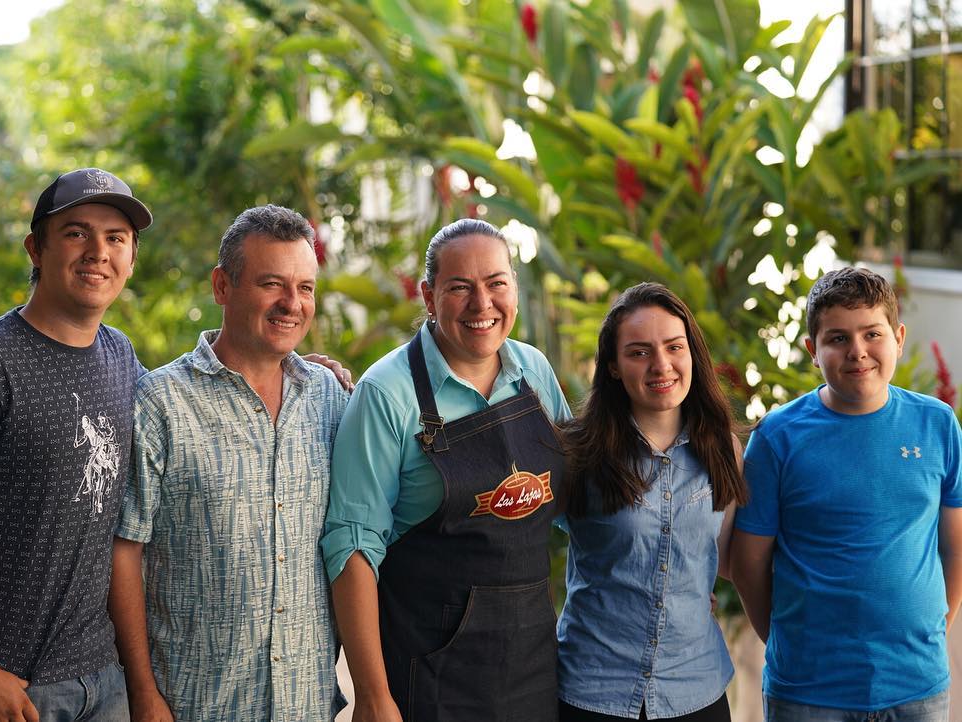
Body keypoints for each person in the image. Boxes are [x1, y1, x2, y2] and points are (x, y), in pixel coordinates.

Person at [0, 168, 152, 721]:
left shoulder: (120, 356)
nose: (98, 252)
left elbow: (187, 408)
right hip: (5, 682)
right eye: (75, 233)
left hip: (99, 677)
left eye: (116, 239)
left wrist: (294, 369)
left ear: (132, 258)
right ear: (35, 248)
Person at [322, 218, 571, 722]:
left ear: (514, 291)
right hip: (429, 673)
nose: (482, 305)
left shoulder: (534, 372)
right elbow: (351, 550)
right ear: (429, 296)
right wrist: (373, 696)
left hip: (533, 667)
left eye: (496, 284)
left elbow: (575, 506)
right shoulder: (386, 393)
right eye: (460, 288)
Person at [109, 205, 349, 722]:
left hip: (306, 704)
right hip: (194, 704)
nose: (292, 304)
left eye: (305, 288)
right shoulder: (160, 403)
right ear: (222, 286)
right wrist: (144, 693)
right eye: (272, 284)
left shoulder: (330, 399)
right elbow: (123, 552)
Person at [730, 266, 962, 722]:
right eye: (837, 339)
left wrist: (938, 626)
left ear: (897, 336)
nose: (857, 352)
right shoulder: (778, 437)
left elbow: (955, 547)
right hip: (808, 693)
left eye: (871, 334)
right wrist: (784, 642)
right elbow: (747, 564)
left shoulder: (937, 425)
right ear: (812, 351)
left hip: (917, 689)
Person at [556, 282, 747, 722]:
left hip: (695, 690)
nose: (661, 365)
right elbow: (515, 544)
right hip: (592, 690)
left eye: (673, 347)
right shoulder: (575, 452)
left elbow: (725, 558)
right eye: (639, 352)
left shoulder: (724, 450)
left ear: (692, 355)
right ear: (613, 367)